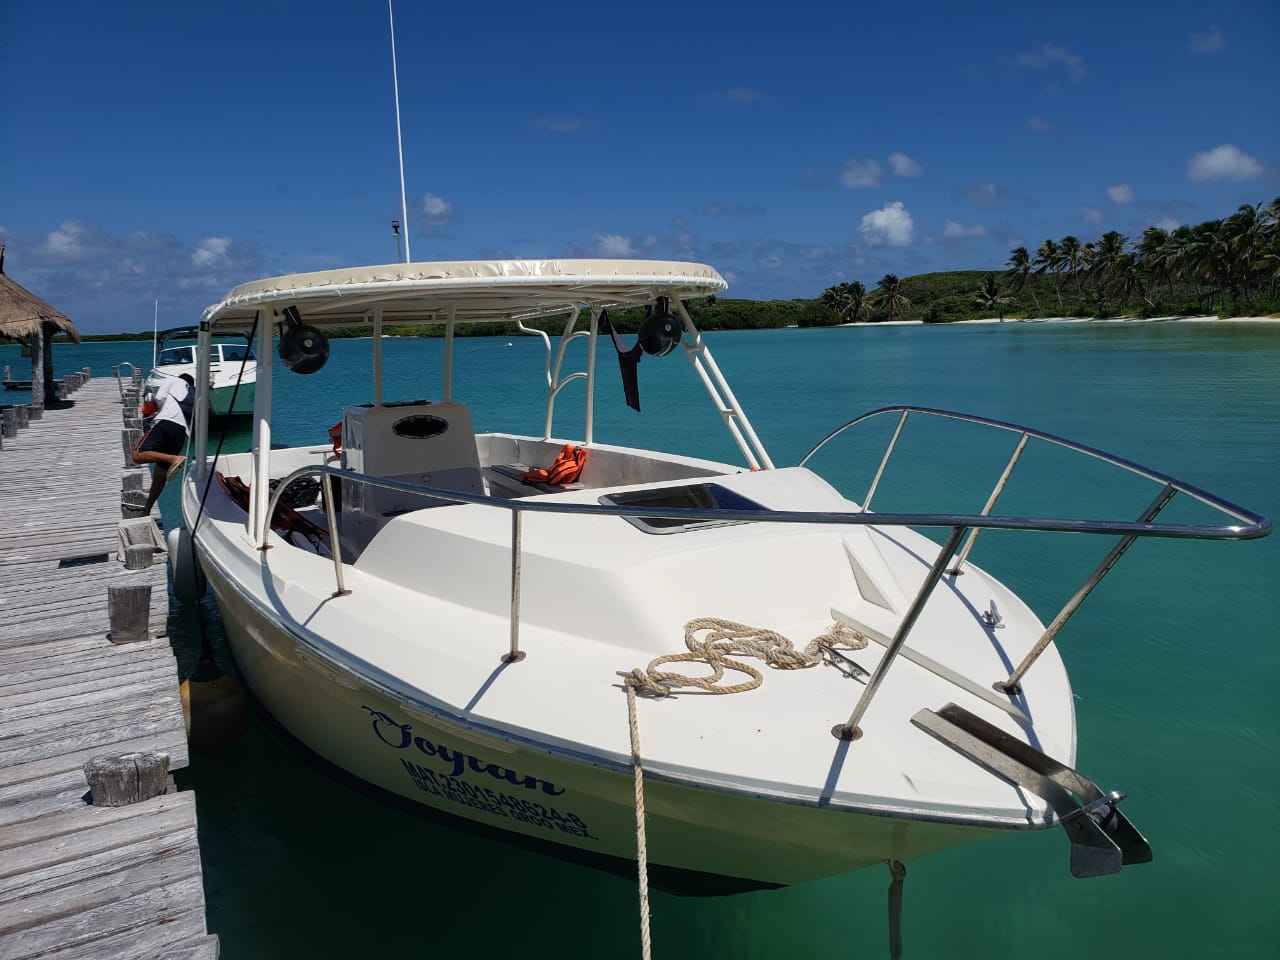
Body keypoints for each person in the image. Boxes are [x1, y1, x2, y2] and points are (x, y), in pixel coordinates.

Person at [133, 373, 194, 515]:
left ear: (181, 377)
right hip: (182, 432)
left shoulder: (173, 380)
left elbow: (159, 397)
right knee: (161, 472)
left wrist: (157, 409)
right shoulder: (193, 393)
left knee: (137, 455)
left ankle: (174, 459)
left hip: (167, 421)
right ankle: (147, 509)